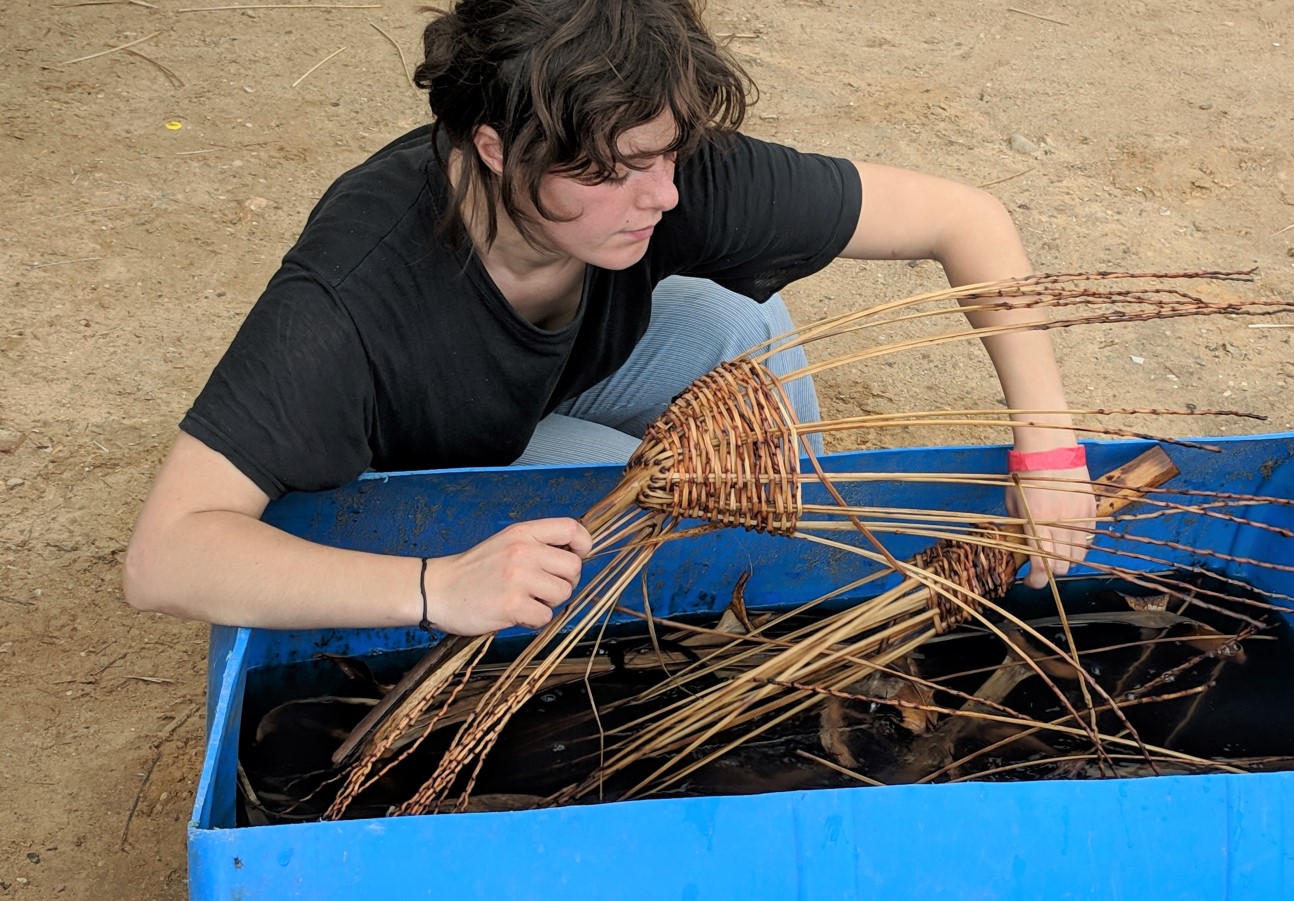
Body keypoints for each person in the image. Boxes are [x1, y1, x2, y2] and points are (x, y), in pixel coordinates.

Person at [122, 0, 1094, 637]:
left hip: (563, 370)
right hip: (433, 464)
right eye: (619, 170)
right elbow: (168, 553)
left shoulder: (649, 164)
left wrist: (1046, 451)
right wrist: (435, 589)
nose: (663, 195)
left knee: (734, 332)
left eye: (668, 154)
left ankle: (769, 576)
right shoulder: (351, 306)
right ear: (496, 148)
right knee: (607, 527)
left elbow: (968, 219)